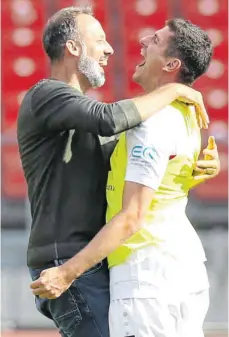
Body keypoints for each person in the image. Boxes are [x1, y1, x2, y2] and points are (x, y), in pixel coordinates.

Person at [22, 6, 218, 337]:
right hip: (67, 258)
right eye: (99, 39)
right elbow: (109, 119)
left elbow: (133, 163)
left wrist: (191, 165)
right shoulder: (47, 95)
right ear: (73, 48)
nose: (110, 48)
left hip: (93, 259)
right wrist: (173, 89)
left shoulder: (85, 113)